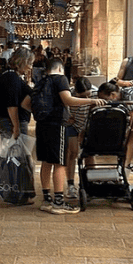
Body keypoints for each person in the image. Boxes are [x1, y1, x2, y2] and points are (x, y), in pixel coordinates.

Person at [33, 57, 102, 215]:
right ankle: (58, 202)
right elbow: (67, 99)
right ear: (59, 68)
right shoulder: (60, 79)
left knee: (46, 162)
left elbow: (26, 103)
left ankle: (46, 200)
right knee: (59, 163)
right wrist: (91, 101)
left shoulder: (40, 82)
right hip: (57, 125)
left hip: (42, 125)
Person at [0, 46, 33, 140]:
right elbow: (11, 105)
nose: (30, 67)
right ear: (23, 62)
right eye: (30, 63)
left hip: (6, 120)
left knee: (11, 151)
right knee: (15, 152)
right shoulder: (12, 78)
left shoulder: (10, 75)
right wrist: (16, 127)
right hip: (9, 121)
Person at [64, 76, 93, 198]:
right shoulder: (69, 93)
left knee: (90, 153)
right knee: (72, 152)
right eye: (82, 97)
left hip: (87, 125)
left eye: (88, 96)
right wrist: (67, 116)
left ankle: (90, 181)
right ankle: (70, 183)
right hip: (72, 125)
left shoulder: (95, 93)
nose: (86, 99)